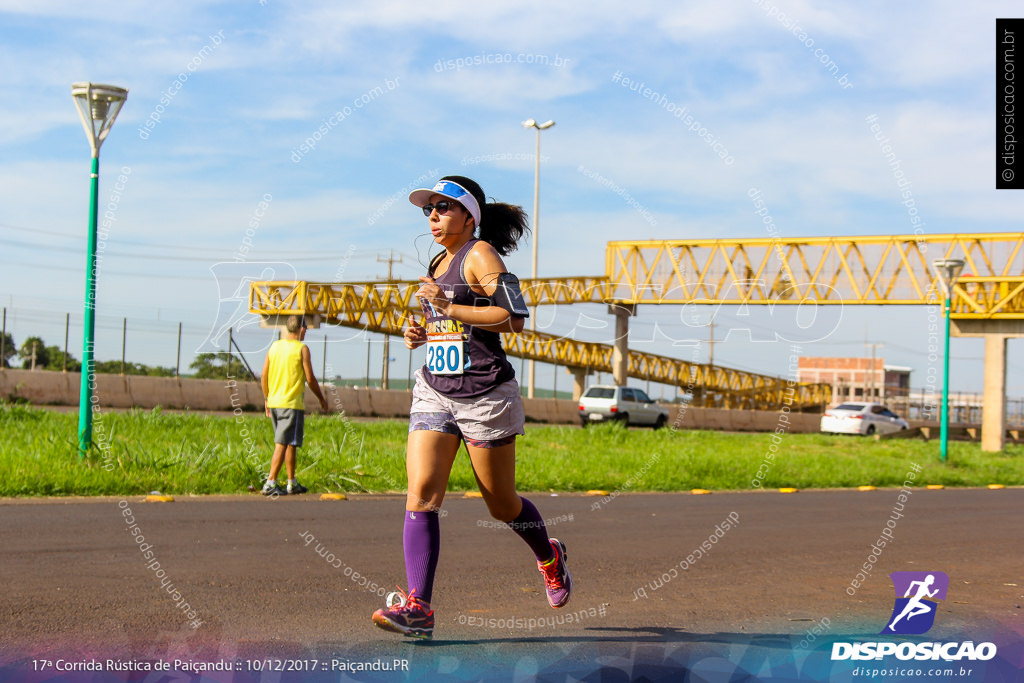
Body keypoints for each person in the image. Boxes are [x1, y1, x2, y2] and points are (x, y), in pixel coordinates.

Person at [371, 175, 572, 640]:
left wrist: (450, 307)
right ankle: (419, 607)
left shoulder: (480, 255)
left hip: (484, 395)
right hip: (437, 389)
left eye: (443, 208)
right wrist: (419, 330)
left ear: (469, 216)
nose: (433, 217)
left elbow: (513, 317)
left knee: (502, 504)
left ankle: (549, 556)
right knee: (421, 490)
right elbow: (440, 314)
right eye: (429, 210)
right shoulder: (438, 259)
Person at [260, 314, 328, 495]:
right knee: (282, 443)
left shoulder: (274, 347)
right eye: (305, 328)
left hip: (274, 402)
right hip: (291, 404)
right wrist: (321, 398)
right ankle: (270, 482)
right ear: (302, 329)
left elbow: (264, 375)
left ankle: (291, 482)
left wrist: (266, 398)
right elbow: (310, 378)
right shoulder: (301, 349)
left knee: (290, 442)